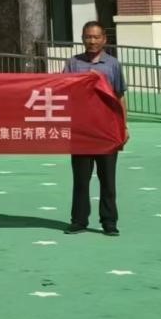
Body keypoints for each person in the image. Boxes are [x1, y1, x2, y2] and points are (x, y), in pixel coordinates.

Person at [64, 21, 126, 236]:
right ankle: (79, 220)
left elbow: (119, 96)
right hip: (81, 131)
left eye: (96, 37)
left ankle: (109, 222)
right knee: (81, 180)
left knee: (108, 180)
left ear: (104, 39)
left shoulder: (113, 65)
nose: (92, 41)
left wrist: (123, 126)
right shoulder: (73, 63)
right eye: (88, 37)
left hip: (106, 131)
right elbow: (64, 91)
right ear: (82, 39)